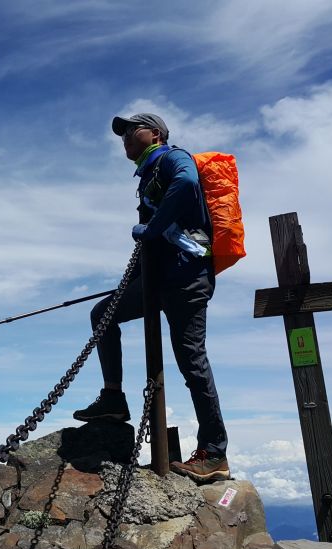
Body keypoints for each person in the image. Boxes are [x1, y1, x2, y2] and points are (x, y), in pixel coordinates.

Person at [72, 112, 230, 482]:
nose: (125, 136)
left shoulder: (174, 158)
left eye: (132, 129)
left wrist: (151, 227)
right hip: (160, 280)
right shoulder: (148, 174)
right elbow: (154, 240)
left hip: (187, 279)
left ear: (155, 133)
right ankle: (113, 399)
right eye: (122, 133)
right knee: (104, 314)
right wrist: (132, 280)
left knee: (192, 361)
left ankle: (214, 453)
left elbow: (187, 183)